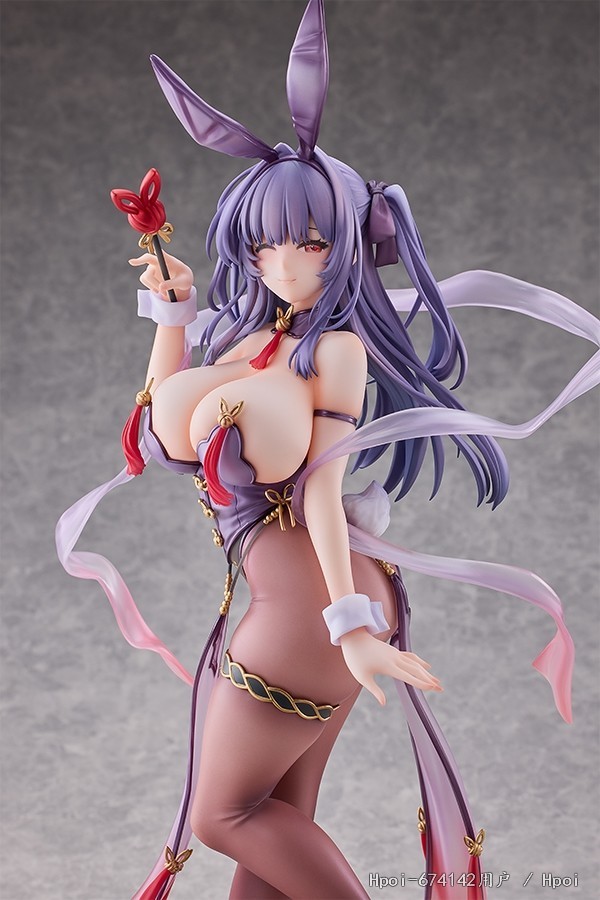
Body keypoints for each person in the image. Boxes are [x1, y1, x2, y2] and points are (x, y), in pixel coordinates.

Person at [56, 2, 600, 898]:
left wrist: (351, 628)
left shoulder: (334, 352)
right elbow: (155, 424)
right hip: (292, 601)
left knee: (222, 816)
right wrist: (173, 310)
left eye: (311, 242)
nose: (286, 262)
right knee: (276, 822)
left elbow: (320, 489)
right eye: (267, 242)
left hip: (314, 606)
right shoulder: (238, 338)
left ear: (345, 246)